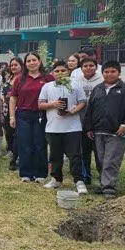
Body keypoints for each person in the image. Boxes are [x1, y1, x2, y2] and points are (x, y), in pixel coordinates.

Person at [83, 61, 125, 198]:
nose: (109, 74)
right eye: (106, 72)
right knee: (100, 159)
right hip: (98, 131)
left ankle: (109, 187)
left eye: (113, 71)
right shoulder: (98, 89)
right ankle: (103, 184)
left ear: (119, 73)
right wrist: (89, 127)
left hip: (116, 132)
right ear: (102, 73)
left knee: (111, 160)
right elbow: (90, 109)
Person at [38, 60, 88, 194]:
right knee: (55, 155)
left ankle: (78, 180)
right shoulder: (47, 86)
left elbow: (82, 102)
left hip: (73, 127)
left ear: (68, 72)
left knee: (75, 155)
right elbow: (40, 104)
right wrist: (53, 104)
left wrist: (73, 111)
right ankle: (56, 178)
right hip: (53, 127)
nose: (60, 73)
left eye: (63, 71)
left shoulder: (75, 85)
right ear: (52, 73)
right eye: (57, 71)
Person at [9, 52, 54, 183]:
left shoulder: (48, 78)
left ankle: (40, 173)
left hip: (41, 115)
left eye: (34, 60)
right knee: (24, 144)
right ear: (25, 64)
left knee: (40, 144)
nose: (31, 63)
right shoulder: (20, 79)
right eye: (28, 61)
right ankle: (26, 173)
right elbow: (13, 98)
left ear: (39, 61)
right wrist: (12, 116)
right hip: (23, 115)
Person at [76, 57, 104, 185]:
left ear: (96, 67)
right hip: (81, 121)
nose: (88, 68)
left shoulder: (102, 80)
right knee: (83, 151)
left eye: (91, 65)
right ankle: (85, 176)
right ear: (81, 68)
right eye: (85, 66)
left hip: (98, 122)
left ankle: (104, 178)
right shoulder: (76, 81)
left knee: (100, 152)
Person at [2, 58, 23, 170]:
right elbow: (3, 92)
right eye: (12, 65)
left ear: (21, 66)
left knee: (18, 135)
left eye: (16, 65)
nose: (13, 67)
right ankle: (10, 151)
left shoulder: (24, 79)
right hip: (7, 109)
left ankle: (17, 156)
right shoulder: (9, 78)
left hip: (19, 109)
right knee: (8, 131)